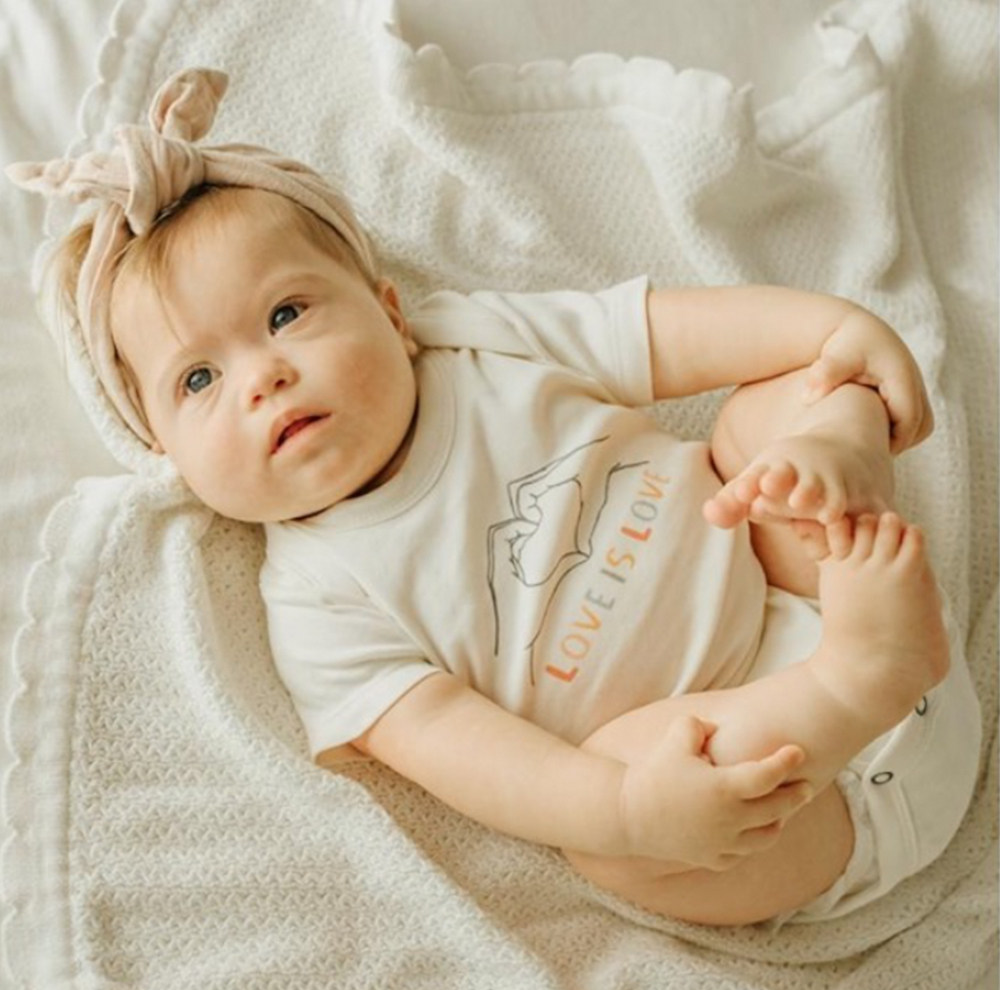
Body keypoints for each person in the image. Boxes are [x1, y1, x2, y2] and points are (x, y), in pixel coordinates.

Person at [8, 68, 972, 928]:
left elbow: (666, 334)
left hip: (821, 589)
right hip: (785, 806)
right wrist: (635, 813)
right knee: (605, 828)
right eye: (198, 380)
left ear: (390, 312)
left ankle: (847, 474)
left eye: (286, 314)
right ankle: (855, 679)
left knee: (770, 422)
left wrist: (832, 337)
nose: (263, 378)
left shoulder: (475, 342)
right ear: (168, 455)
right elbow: (474, 757)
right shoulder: (317, 603)